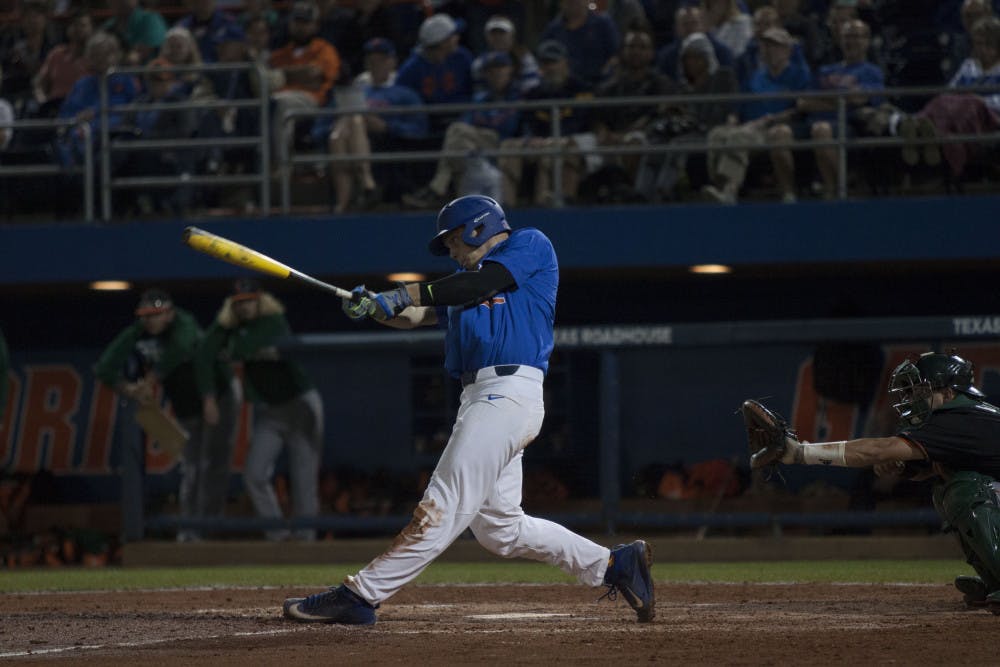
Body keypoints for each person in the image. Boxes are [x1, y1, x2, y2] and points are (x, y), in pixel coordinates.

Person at [281, 194, 654, 625]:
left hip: (509, 393)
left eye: (453, 241)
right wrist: (376, 306)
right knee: (500, 530)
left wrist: (403, 294)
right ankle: (613, 565)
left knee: (444, 502)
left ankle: (361, 595)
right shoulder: (461, 281)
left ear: (478, 228)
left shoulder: (528, 246)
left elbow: (478, 286)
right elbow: (416, 314)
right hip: (480, 398)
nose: (452, 252)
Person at [761, 351, 1000, 611]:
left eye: (920, 391)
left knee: (966, 489)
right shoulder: (965, 417)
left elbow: (876, 449)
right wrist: (901, 468)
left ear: (949, 393)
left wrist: (799, 452)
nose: (911, 399)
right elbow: (926, 468)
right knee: (947, 487)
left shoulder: (961, 419)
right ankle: (993, 580)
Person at [95, 289, 241, 542]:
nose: (150, 320)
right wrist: (126, 387)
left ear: (169, 313)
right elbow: (105, 367)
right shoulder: (137, 332)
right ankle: (190, 529)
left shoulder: (184, 323)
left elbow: (181, 349)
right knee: (192, 467)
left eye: (156, 315)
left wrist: (149, 380)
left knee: (214, 464)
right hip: (187, 406)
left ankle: (210, 524)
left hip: (219, 395)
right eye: (145, 315)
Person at [197, 278, 324, 542]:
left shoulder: (274, 320)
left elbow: (244, 346)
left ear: (260, 300)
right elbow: (204, 353)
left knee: (304, 479)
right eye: (239, 303)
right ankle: (279, 537)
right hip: (271, 411)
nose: (244, 307)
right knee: (254, 474)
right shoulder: (230, 328)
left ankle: (307, 543)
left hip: (300, 403)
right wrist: (208, 397)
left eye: (249, 301)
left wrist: (231, 347)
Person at [702, 26, 812, 204]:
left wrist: (769, 120)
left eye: (775, 46)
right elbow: (740, 103)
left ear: (787, 50)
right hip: (748, 125)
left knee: (740, 137)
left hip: (774, 127)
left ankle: (730, 191)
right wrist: (733, 119)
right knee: (717, 134)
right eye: (765, 46)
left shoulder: (799, 74)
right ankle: (718, 186)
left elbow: (801, 108)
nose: (769, 51)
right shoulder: (756, 76)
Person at [401, 50, 521, 209]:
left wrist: (483, 127)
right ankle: (441, 190)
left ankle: (437, 188)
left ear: (510, 70)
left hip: (503, 142)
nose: (496, 73)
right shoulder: (481, 98)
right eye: (491, 70)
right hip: (475, 145)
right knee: (458, 139)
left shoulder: (517, 95)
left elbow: (509, 126)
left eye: (500, 68)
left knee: (456, 131)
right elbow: (467, 120)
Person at [321, 37, 428, 213]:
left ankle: (344, 202)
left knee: (350, 123)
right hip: (348, 138)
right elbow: (322, 122)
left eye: (382, 59)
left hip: (387, 142)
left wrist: (387, 127)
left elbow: (419, 128)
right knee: (347, 125)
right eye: (372, 60)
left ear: (393, 62)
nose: (376, 64)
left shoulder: (404, 93)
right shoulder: (354, 91)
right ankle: (365, 184)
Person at [498, 39, 596, 207]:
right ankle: (507, 206)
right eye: (545, 63)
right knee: (508, 146)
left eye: (554, 62)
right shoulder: (534, 94)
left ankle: (542, 203)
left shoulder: (581, 89)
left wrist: (546, 139)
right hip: (540, 141)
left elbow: (580, 122)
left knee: (549, 148)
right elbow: (526, 123)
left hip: (572, 139)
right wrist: (530, 139)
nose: (549, 67)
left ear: (565, 62)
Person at [795, 18, 884, 199]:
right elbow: (803, 102)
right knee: (808, 130)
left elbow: (858, 99)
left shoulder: (871, 71)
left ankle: (837, 190)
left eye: (856, 36)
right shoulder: (825, 70)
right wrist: (841, 98)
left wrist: (823, 98)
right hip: (815, 121)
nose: (851, 41)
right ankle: (834, 191)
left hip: (848, 125)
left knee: (821, 130)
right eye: (847, 36)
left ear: (867, 41)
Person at [268, 0, 341, 158]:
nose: (300, 27)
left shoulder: (324, 49)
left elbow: (315, 77)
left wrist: (283, 76)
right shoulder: (280, 54)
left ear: (315, 25)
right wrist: (300, 75)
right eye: (297, 21)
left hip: (313, 101)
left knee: (281, 104)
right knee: (271, 102)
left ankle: (282, 163)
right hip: (282, 97)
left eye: (305, 22)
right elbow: (269, 77)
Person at [394, 13, 474, 137]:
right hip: (428, 124)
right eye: (453, 35)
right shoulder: (411, 69)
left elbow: (474, 90)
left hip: (463, 118)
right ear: (443, 43)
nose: (457, 37)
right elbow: (401, 102)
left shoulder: (462, 57)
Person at [540, 0, 621, 88]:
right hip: (564, 90)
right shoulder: (552, 30)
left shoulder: (603, 24)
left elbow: (615, 56)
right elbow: (543, 61)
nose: (573, 2)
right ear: (560, 3)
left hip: (599, 86)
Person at [32, 9, 92, 115]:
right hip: (56, 108)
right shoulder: (57, 54)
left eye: (82, 25)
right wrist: (42, 101)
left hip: (86, 108)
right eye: (74, 25)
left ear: (91, 28)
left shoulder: (96, 57)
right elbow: (39, 83)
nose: (78, 29)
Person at [471, 14, 539, 95]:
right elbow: (479, 91)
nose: (498, 37)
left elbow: (531, 87)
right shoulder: (479, 62)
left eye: (502, 33)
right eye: (493, 34)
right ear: (487, 37)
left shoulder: (525, 57)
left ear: (512, 35)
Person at [100, 0, 168, 66]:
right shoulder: (107, 27)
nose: (119, 2)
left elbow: (138, 57)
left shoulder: (151, 19)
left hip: (148, 74)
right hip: (113, 75)